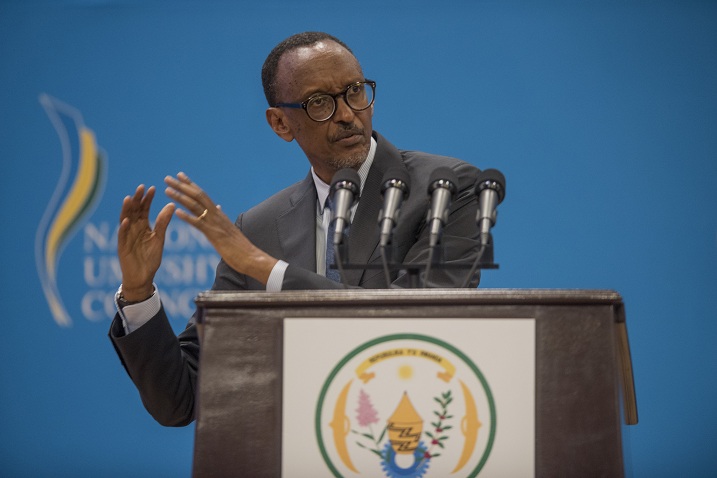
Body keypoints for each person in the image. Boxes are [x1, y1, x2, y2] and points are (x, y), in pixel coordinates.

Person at [109, 31, 483, 426]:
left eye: (355, 91)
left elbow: (417, 323)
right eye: (319, 102)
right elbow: (182, 400)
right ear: (280, 123)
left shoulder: (446, 188)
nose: (347, 114)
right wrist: (138, 293)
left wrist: (265, 269)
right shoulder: (258, 229)